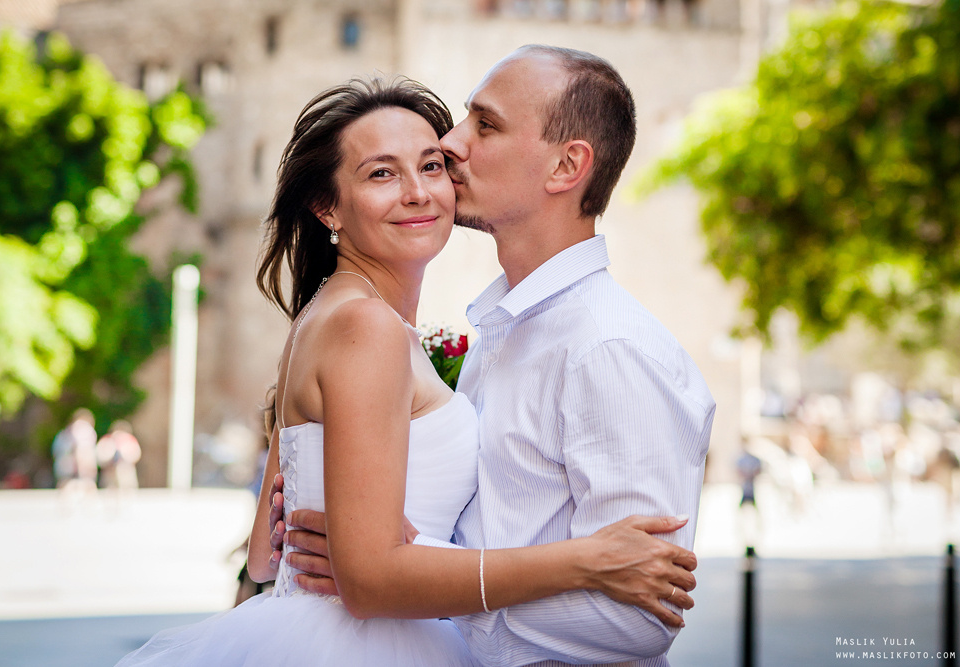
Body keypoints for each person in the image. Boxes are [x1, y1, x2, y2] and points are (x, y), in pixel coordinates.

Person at [117, 75, 697, 667]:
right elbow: (364, 581)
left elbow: (268, 554)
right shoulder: (365, 328)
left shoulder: (332, 315)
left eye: (431, 165)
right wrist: (585, 560)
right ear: (326, 206)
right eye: (381, 174)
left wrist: (393, 549)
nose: (419, 192)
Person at [270, 45, 715, 666]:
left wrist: (407, 576)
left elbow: (637, 617)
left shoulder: (609, 349)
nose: (451, 143)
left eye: (486, 124)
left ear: (566, 166)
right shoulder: (500, 332)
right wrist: (376, 554)